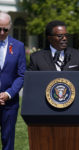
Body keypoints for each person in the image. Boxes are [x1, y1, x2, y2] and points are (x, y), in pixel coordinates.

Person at [0, 12, 26, 150]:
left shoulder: (18, 46)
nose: (2, 32)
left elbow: (21, 75)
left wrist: (8, 94)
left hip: (10, 104)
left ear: (10, 28)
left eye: (5, 29)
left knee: (8, 139)